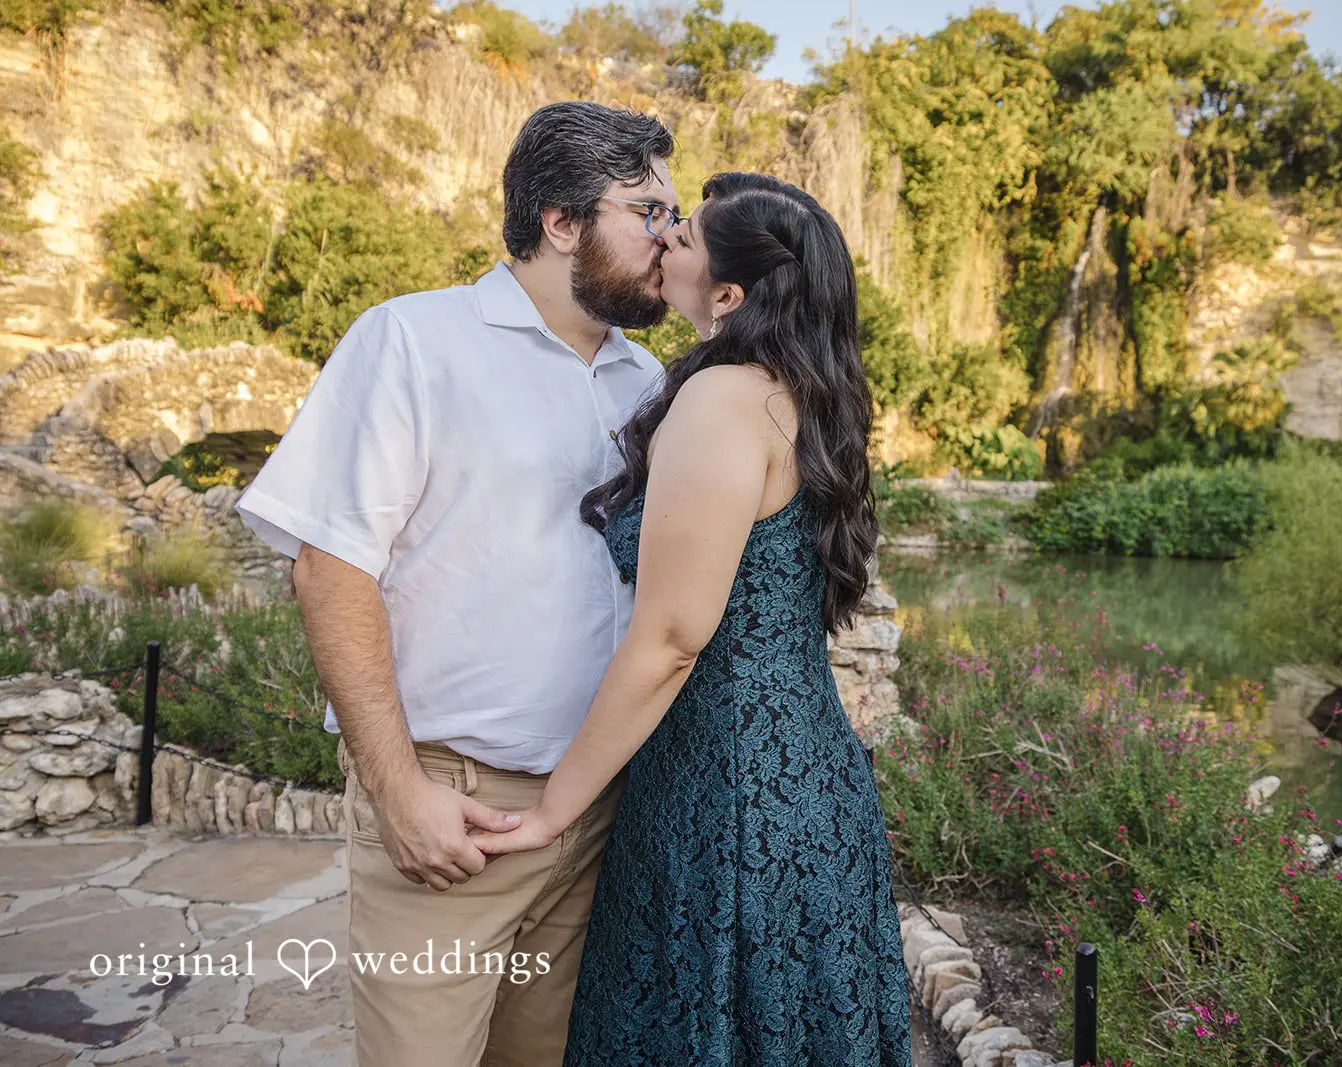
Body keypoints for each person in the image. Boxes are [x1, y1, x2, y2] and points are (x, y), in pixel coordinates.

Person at [233, 101, 680, 1066]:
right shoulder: (411, 341)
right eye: (646, 210)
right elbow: (328, 566)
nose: (669, 237)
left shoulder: (647, 379)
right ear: (561, 221)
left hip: (600, 815)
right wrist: (399, 789)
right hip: (457, 814)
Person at [468, 172, 914, 1066]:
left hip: (729, 790)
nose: (666, 236)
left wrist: (556, 808)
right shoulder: (801, 395)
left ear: (727, 295)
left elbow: (673, 639)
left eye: (687, 235)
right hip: (803, 779)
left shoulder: (724, 400)